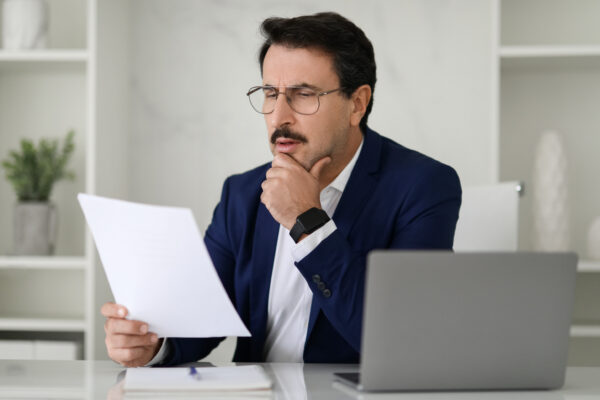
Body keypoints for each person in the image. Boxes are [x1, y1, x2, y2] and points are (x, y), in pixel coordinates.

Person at [101, 11, 462, 367]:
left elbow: (401, 338)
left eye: (303, 94)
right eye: (271, 93)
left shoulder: (424, 187)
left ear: (357, 103)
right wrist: (150, 342)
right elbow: (201, 317)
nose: (278, 117)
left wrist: (307, 221)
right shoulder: (242, 193)